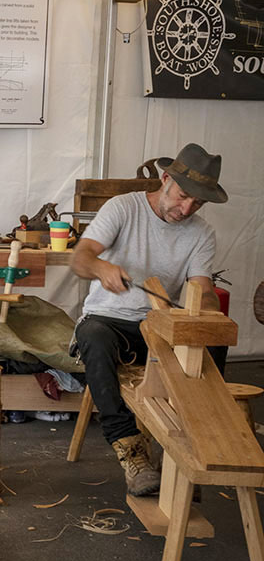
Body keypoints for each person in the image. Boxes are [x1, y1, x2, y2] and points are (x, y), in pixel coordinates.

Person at [70, 143, 227, 496]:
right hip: (110, 320)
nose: (186, 209)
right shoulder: (123, 208)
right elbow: (80, 258)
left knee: (212, 337)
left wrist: (204, 304)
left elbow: (202, 287)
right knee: (93, 337)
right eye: (183, 196)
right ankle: (133, 454)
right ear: (165, 178)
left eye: (197, 204)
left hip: (160, 324)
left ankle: (190, 454)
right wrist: (100, 267)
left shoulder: (202, 233)